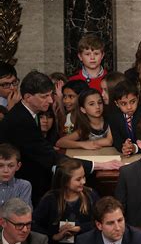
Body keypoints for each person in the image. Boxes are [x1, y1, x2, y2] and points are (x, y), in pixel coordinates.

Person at [0, 71, 121, 205]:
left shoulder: (30, 113)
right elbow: (47, 155)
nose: (51, 100)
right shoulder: (20, 120)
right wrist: (98, 165)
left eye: (51, 95)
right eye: (44, 96)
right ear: (28, 97)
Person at [33, 158, 99, 244]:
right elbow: (34, 225)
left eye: (84, 177)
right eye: (78, 179)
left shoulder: (91, 196)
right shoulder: (50, 199)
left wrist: (80, 228)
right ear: (65, 181)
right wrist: (54, 236)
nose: (83, 181)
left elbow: (101, 221)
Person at [72, 196, 141, 244]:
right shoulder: (84, 243)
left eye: (120, 220)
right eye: (110, 223)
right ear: (99, 225)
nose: (117, 228)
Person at [107, 80, 141, 156]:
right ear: (117, 104)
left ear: (138, 98)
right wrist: (124, 148)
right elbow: (117, 140)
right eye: (123, 103)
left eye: (132, 102)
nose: (129, 107)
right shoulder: (113, 116)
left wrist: (134, 148)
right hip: (124, 156)